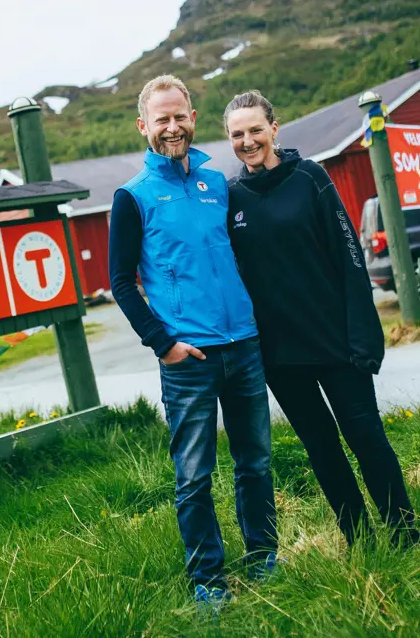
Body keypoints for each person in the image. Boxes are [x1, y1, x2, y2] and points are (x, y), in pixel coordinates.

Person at [109, 75, 280, 611]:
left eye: (179, 115)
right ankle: (208, 579)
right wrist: (164, 344)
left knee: (256, 462)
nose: (172, 126)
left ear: (193, 117)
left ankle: (264, 555)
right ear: (144, 127)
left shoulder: (216, 184)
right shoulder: (132, 198)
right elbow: (120, 282)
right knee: (194, 475)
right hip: (190, 358)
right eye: (161, 118)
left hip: (243, 344)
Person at [223, 90, 419, 548]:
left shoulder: (311, 178)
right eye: (237, 134)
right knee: (322, 449)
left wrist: (364, 335)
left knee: (367, 437)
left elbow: (350, 257)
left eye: (255, 130)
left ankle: (405, 534)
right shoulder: (231, 198)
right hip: (279, 355)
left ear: (274, 128)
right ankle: (361, 540)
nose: (248, 141)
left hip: (336, 343)